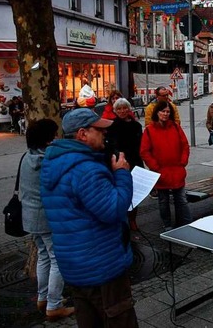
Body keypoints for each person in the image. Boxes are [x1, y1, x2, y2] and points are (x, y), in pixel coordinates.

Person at [40, 109, 137, 327]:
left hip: (75, 263)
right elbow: (112, 210)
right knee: (118, 319)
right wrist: (122, 174)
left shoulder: (55, 163)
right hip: (102, 264)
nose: (105, 134)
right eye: (99, 130)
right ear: (82, 134)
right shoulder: (86, 169)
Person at [21, 119, 75, 322]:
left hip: (30, 216)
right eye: (54, 134)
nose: (57, 137)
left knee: (44, 256)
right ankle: (53, 306)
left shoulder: (27, 157)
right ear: (48, 138)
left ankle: (43, 299)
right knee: (57, 259)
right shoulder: (51, 160)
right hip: (48, 217)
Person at [140, 100, 192, 231]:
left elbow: (185, 145)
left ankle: (185, 223)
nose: (165, 114)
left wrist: (183, 162)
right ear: (157, 112)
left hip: (176, 170)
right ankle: (167, 225)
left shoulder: (175, 127)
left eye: (168, 111)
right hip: (161, 172)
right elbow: (144, 151)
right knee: (163, 201)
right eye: (163, 111)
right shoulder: (149, 130)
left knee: (181, 199)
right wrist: (155, 167)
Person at [107, 97, 144, 231]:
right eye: (119, 109)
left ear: (129, 109)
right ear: (115, 110)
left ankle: (133, 219)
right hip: (120, 162)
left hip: (135, 161)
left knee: (135, 193)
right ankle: (122, 220)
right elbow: (112, 145)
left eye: (124, 108)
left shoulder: (136, 125)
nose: (122, 111)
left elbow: (141, 144)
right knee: (121, 191)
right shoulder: (111, 125)